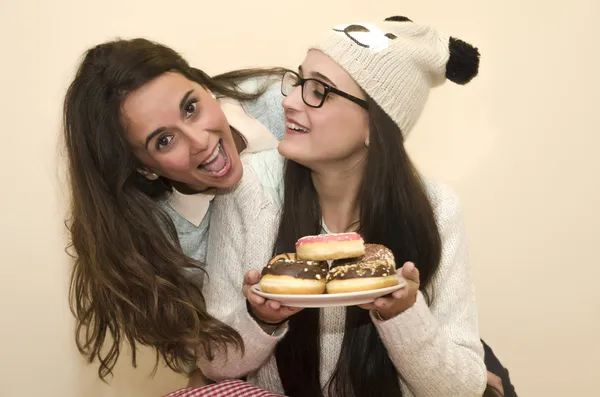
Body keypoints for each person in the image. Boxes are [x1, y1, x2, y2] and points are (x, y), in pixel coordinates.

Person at [198, 16, 491, 396]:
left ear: (375, 126)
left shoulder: (436, 210)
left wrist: (401, 314)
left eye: (319, 90)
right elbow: (211, 360)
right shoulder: (251, 188)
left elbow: (463, 388)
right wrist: (259, 318)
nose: (288, 101)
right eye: (300, 80)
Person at [62, 37, 287, 385]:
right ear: (144, 168)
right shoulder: (159, 237)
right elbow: (213, 353)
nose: (199, 141)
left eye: (191, 107)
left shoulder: (281, 105)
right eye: (163, 141)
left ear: (204, 86)